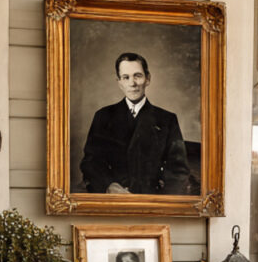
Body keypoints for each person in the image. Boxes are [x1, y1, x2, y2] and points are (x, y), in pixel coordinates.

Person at [80, 52, 192, 195]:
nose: (132, 83)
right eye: (126, 77)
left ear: (148, 79)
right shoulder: (103, 116)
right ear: (119, 83)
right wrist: (108, 186)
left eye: (137, 76)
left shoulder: (167, 120)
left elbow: (179, 171)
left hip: (152, 202)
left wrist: (162, 204)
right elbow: (91, 162)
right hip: (112, 201)